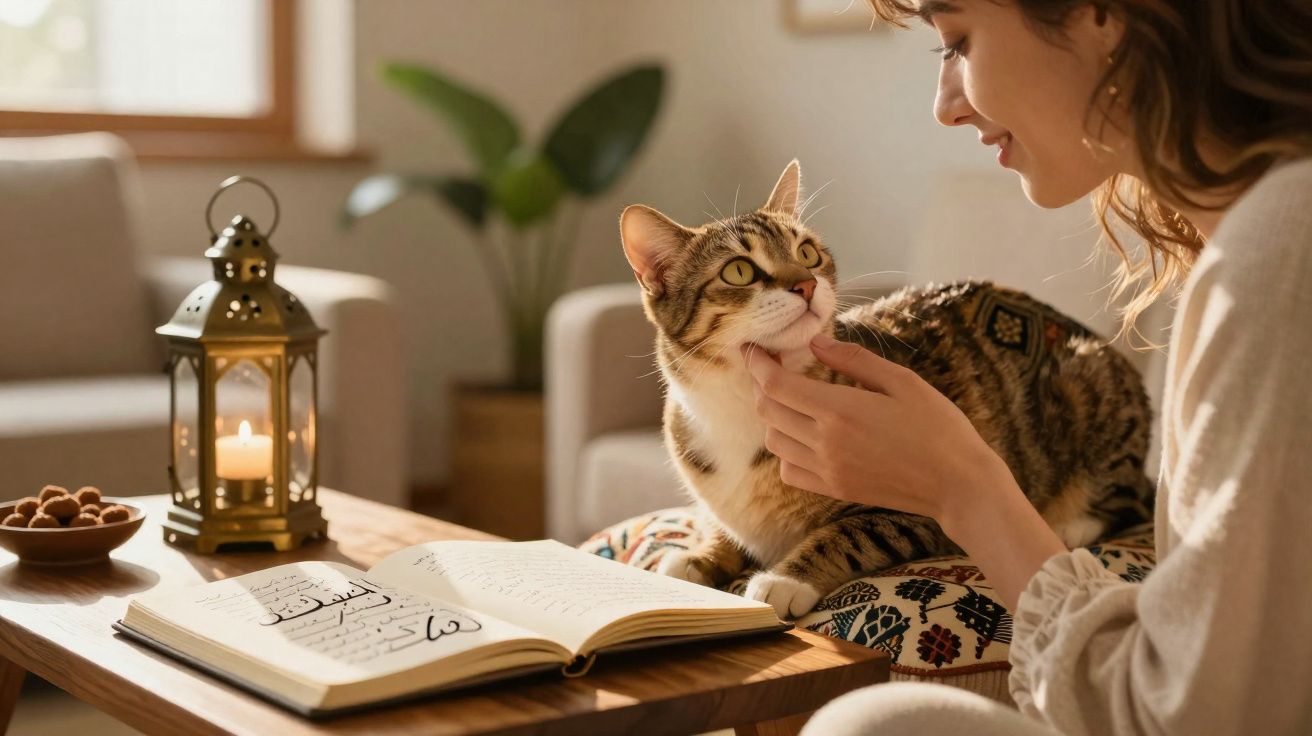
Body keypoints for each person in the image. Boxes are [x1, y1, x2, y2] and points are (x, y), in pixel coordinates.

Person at [738, 0, 1312, 733]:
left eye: (957, 42)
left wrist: (964, 486)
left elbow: (1188, 717)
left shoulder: (1279, 255)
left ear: (1103, 15)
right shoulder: (1258, 233)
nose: (945, 107)